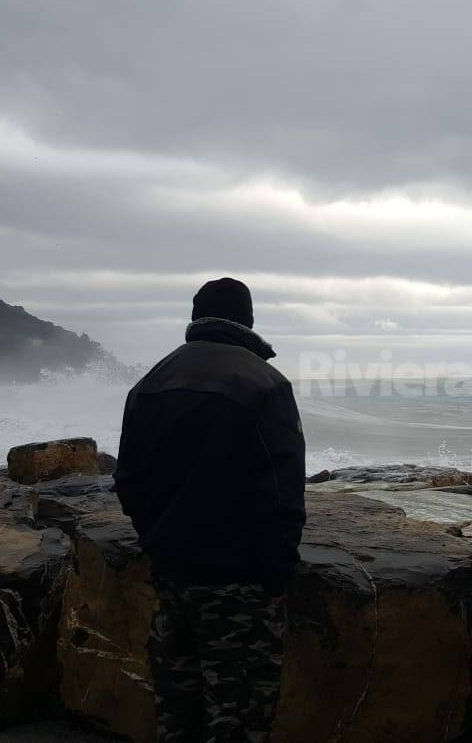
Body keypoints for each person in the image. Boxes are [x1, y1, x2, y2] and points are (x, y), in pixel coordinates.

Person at [115, 277, 306, 742]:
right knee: (237, 713)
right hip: (239, 582)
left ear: (195, 316)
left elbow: (128, 481)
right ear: (249, 320)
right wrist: (276, 573)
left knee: (177, 709)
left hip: (172, 573)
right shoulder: (265, 382)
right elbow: (283, 491)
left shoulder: (152, 381)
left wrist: (157, 541)